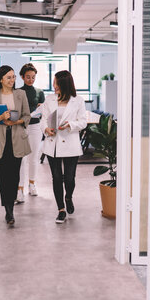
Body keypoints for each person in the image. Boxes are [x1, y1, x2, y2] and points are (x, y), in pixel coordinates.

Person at [0, 65, 31, 225]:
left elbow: (27, 116)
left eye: (13, 77)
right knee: (3, 176)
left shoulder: (21, 94)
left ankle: (11, 204)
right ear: (1, 79)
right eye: (9, 77)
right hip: (0, 141)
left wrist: (17, 121)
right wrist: (0, 118)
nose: (12, 80)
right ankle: (8, 210)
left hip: (17, 138)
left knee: (14, 175)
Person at [40, 70, 87, 224]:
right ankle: (61, 209)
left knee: (69, 178)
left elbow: (83, 122)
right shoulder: (49, 100)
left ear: (64, 84)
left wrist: (70, 125)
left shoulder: (78, 101)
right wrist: (46, 129)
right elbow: (44, 119)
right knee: (56, 178)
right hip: (52, 144)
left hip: (70, 144)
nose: (54, 86)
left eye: (56, 83)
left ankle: (68, 197)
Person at [17, 63, 46, 203]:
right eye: (28, 77)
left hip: (35, 127)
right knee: (21, 159)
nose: (31, 80)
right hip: (21, 127)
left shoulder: (40, 92)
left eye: (33, 77)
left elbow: (45, 110)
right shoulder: (17, 92)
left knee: (33, 158)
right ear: (22, 77)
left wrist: (41, 107)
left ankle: (32, 184)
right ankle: (20, 189)